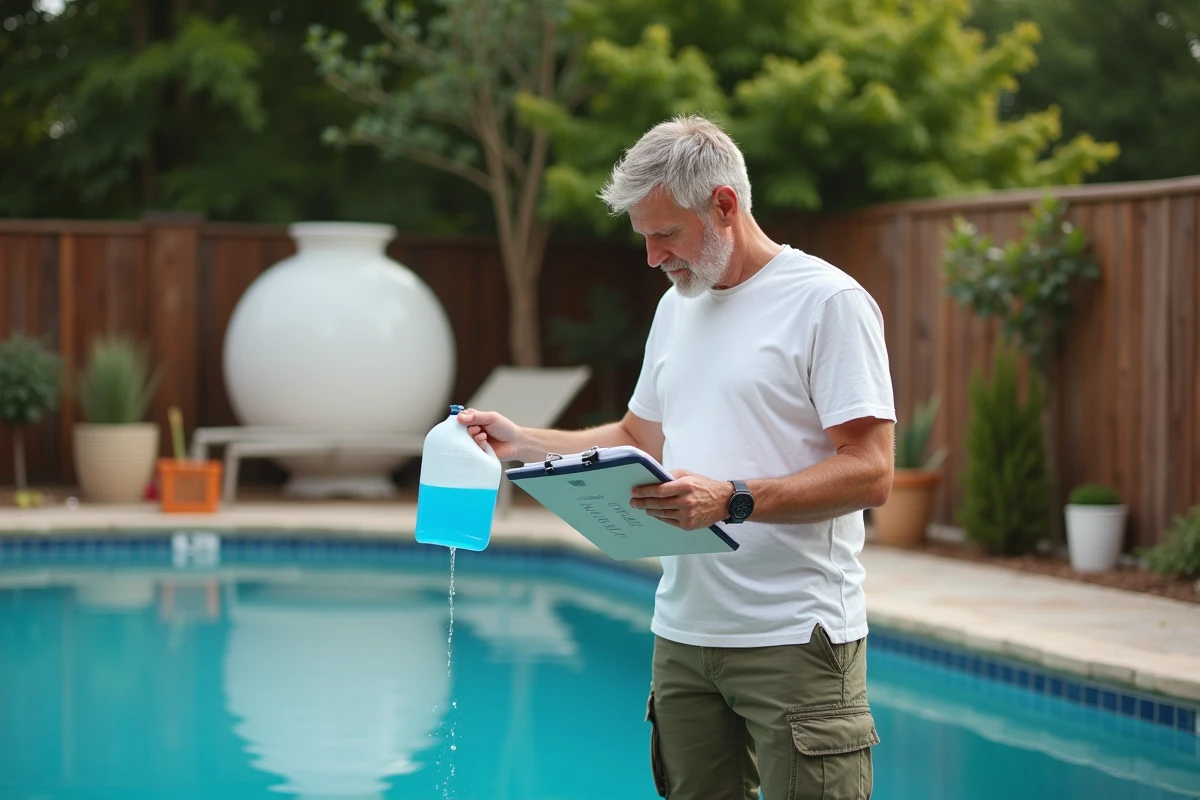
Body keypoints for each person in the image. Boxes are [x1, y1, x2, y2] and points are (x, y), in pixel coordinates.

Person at [458, 114, 895, 800]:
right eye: (644, 237)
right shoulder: (676, 308)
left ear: (724, 205)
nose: (652, 257)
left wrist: (732, 499)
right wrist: (526, 443)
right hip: (683, 637)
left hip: (796, 637)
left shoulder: (827, 302)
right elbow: (638, 438)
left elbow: (870, 470)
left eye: (665, 234)